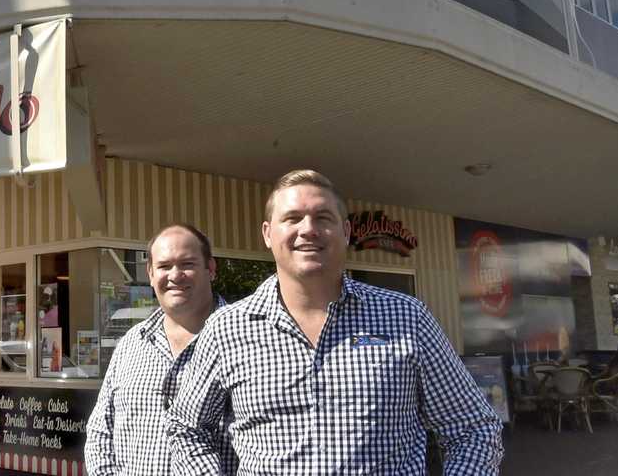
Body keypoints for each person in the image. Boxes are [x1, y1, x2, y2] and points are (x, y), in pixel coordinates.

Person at [168, 169, 503, 474]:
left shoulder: (407, 317)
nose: (308, 230)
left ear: (345, 232)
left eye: (322, 217)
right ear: (268, 234)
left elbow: (473, 427)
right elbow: (187, 428)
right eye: (293, 218)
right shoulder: (227, 328)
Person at [85, 224, 230, 476]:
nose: (175, 275)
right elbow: (100, 430)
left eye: (187, 264)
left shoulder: (246, 339)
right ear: (151, 274)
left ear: (211, 269)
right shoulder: (132, 343)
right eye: (164, 266)